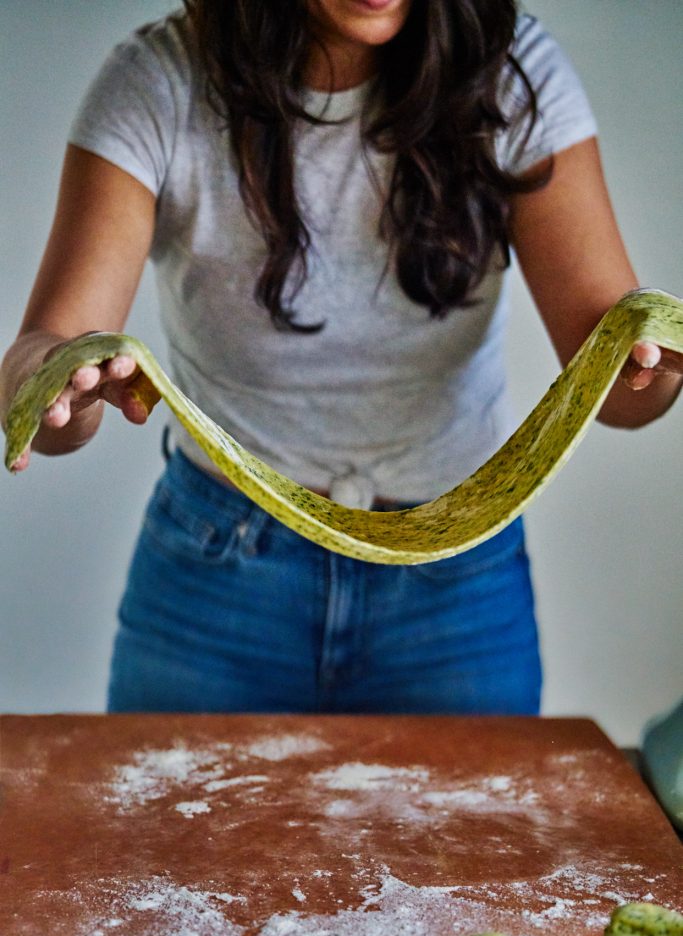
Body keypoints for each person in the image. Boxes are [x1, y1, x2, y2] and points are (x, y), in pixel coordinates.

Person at [1, 0, 681, 715]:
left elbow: (620, 390)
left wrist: (652, 364)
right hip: (217, 574)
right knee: (171, 827)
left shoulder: (511, 74)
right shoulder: (159, 80)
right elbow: (50, 361)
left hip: (456, 586)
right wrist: (51, 386)